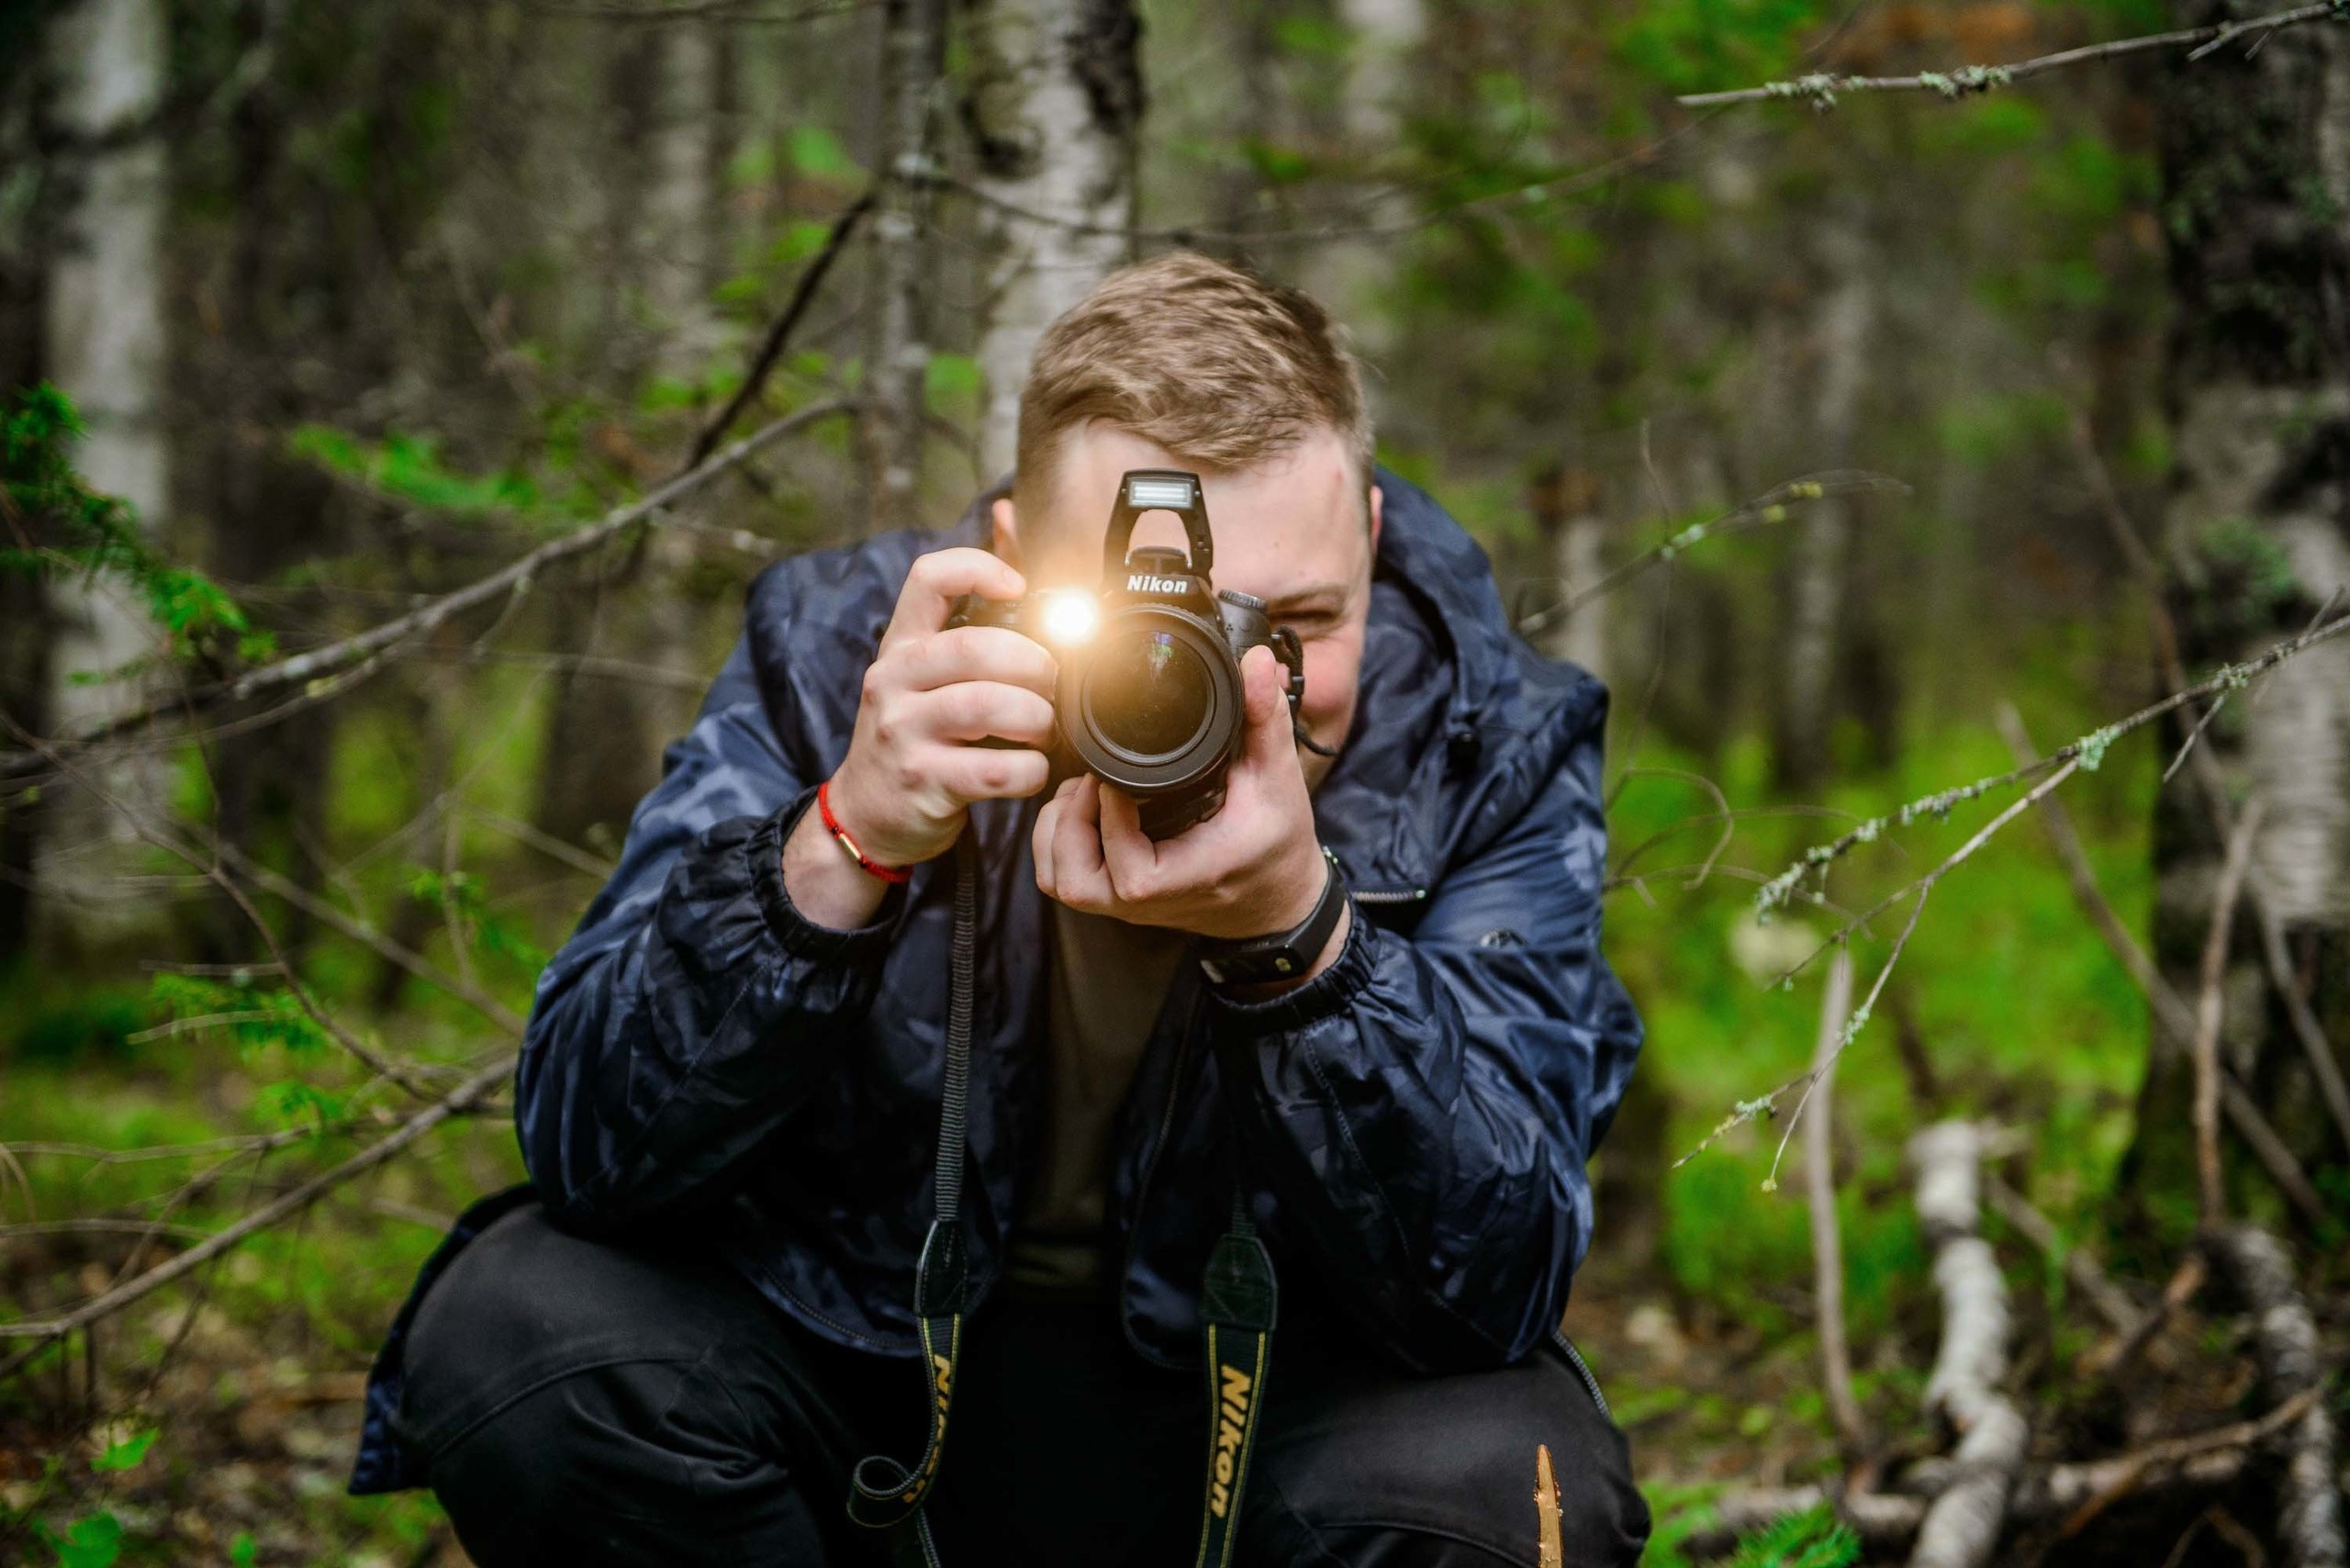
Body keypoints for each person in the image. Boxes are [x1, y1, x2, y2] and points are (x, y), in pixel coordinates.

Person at [348, 252, 1651, 1567]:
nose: (1238, 685)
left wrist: (1302, 944)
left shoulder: (1492, 736)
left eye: (1301, 620)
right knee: (521, 1326)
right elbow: (590, 1150)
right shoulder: (846, 657)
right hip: (877, 1383)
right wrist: (839, 847)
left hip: (1272, 1427)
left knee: (1507, 1488)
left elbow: (1500, 1283)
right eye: (1162, 625)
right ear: (1012, 554)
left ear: (1371, 537)